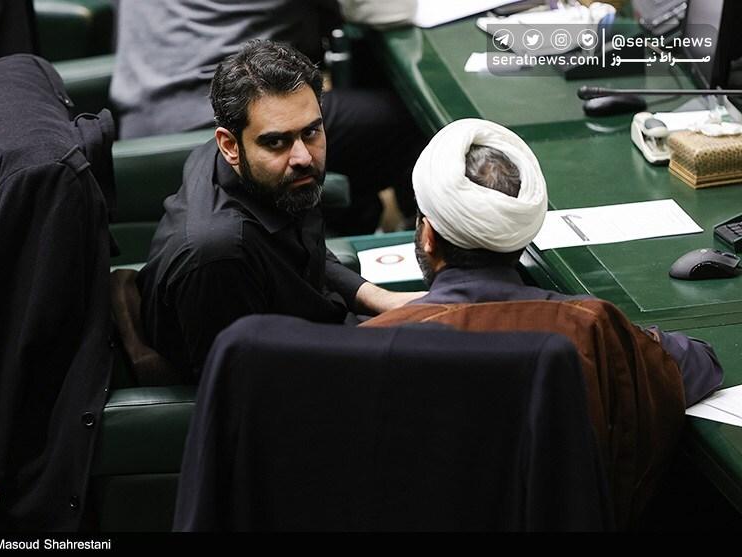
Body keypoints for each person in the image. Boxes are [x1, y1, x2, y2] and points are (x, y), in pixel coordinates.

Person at [361, 118, 724, 528]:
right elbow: (700, 364)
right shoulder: (591, 328)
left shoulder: (369, 347)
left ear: (428, 236)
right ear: (519, 237)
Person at [137, 40, 421, 376]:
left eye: (311, 132)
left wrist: (377, 297)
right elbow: (246, 388)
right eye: (276, 142)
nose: (303, 157)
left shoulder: (259, 172)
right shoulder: (220, 257)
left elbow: (302, 252)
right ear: (229, 145)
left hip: (318, 330)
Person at [109, 0, 424, 234]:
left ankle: (354, 221)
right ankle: (420, 244)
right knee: (413, 121)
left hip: (140, 114)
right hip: (222, 117)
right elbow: (386, 9)